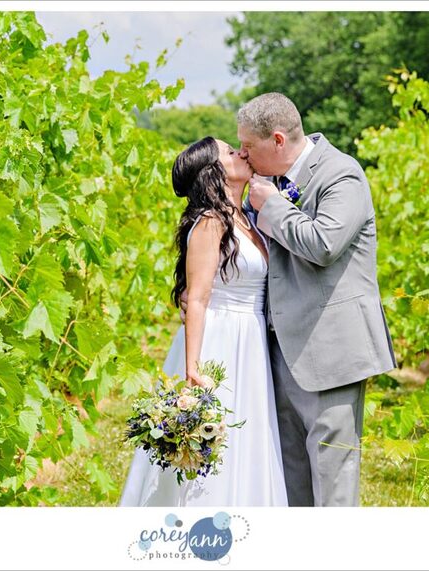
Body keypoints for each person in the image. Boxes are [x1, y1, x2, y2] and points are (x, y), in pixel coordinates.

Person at [236, 92, 398, 507]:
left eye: (248, 145)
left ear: (277, 140)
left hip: (330, 351)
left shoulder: (341, 174)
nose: (242, 154)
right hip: (278, 352)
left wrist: (273, 207)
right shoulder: (267, 183)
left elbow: (324, 244)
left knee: (333, 483)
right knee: (291, 482)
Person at [118, 136, 288, 507]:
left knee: (248, 435)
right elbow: (196, 298)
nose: (241, 152)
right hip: (220, 339)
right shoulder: (210, 222)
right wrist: (191, 368)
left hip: (251, 341)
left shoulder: (247, 218)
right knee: (212, 433)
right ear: (214, 172)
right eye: (229, 151)